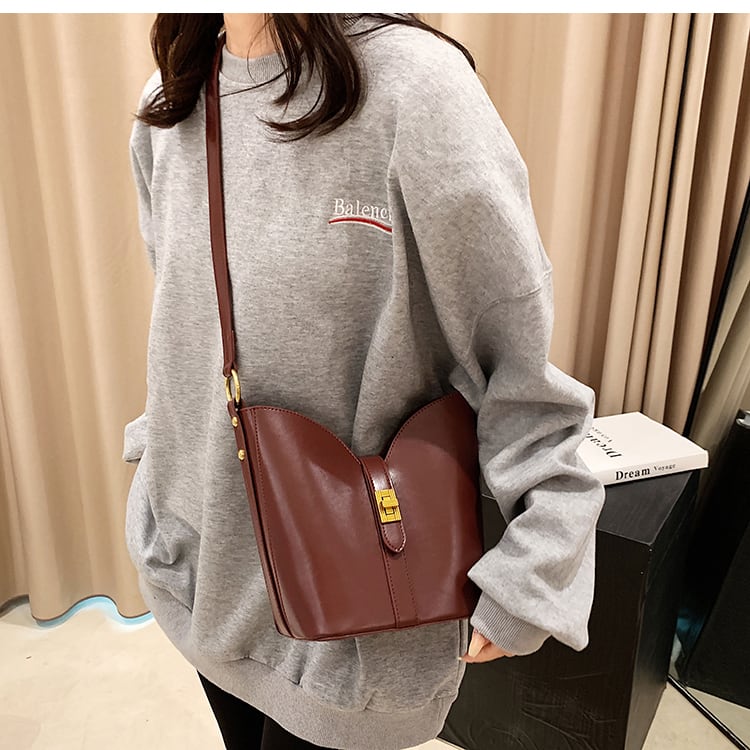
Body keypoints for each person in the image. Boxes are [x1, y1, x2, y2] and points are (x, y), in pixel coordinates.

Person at [122, 12, 606, 750]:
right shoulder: (173, 98)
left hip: (357, 626)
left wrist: (541, 559)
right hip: (195, 573)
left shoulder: (415, 88)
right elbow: (190, 320)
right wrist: (155, 455)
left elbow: (512, 353)